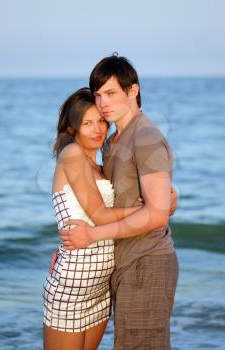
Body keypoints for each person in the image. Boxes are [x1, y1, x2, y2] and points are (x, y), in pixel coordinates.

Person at [60, 55, 179, 350]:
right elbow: (97, 202)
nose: (103, 103)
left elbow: (156, 216)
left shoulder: (146, 137)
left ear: (133, 91)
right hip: (125, 264)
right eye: (98, 95)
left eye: (111, 93)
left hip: (147, 260)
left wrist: (90, 235)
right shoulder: (114, 142)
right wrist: (66, 244)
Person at [43, 87, 153, 350]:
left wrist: (163, 197)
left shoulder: (101, 166)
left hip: (100, 288)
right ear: (72, 129)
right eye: (87, 123)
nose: (97, 129)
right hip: (71, 288)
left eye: (101, 121)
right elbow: (99, 215)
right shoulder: (71, 155)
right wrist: (150, 208)